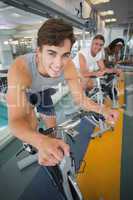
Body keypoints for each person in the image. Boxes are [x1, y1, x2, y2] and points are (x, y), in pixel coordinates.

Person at [7, 18, 118, 167]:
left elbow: (80, 100)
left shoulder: (69, 66)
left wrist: (103, 109)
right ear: (38, 51)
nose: (59, 64)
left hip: (44, 91)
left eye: (65, 54)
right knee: (30, 124)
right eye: (52, 53)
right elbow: (15, 121)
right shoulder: (20, 68)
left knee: (53, 131)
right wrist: (41, 142)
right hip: (26, 90)